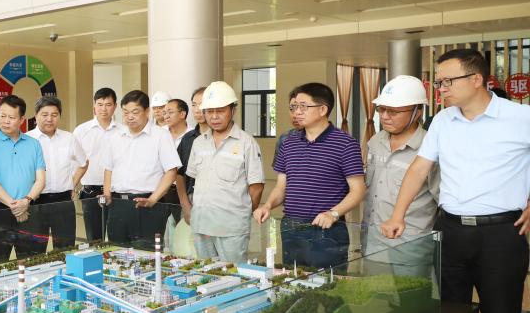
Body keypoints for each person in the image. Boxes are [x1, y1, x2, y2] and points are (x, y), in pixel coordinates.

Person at [381, 48, 530, 313]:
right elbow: (419, 168)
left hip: (501, 235)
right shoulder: (443, 121)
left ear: (477, 79)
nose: (441, 89)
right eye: (439, 83)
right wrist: (398, 214)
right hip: (451, 232)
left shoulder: (520, 117)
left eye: (448, 81)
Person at [253, 82, 365, 270]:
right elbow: (281, 187)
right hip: (291, 227)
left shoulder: (345, 144)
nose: (297, 112)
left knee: (328, 283)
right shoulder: (288, 143)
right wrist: (267, 205)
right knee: (292, 280)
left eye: (303, 107)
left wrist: (333, 213)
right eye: (294, 107)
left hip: (327, 230)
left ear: (323, 109)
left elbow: (358, 190)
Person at [362, 75, 438, 277]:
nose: (385, 116)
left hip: (410, 245)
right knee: (374, 295)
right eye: (381, 109)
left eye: (394, 111)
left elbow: (443, 200)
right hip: (372, 242)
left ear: (417, 112)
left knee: (411, 295)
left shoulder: (430, 148)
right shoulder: (375, 141)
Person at [185, 81, 264, 263]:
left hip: (231, 229)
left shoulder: (246, 143)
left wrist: (240, 214)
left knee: (233, 274)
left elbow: (256, 187)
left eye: (220, 111)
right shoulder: (199, 143)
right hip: (202, 225)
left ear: (232, 110)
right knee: (205, 273)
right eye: (209, 111)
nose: (214, 116)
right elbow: (194, 180)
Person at [102, 90, 182, 249]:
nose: (129, 117)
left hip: (148, 205)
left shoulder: (160, 136)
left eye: (135, 112)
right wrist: (107, 194)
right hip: (118, 204)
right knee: (116, 252)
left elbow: (171, 171)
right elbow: (108, 169)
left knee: (147, 254)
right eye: (126, 113)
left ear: (147, 111)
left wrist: (153, 199)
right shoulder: (115, 136)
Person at [0, 95, 46, 263]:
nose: (6, 121)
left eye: (11, 117)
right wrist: (15, 206)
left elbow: (40, 180)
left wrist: (26, 201)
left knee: (30, 261)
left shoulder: (34, 144)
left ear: (22, 119)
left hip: (29, 209)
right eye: (2, 115)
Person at [26, 96, 87, 253]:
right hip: (36, 202)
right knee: (35, 250)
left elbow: (83, 163)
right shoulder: (27, 139)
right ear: (36, 115)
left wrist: (72, 184)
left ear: (59, 116)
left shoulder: (69, 138)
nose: (49, 119)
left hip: (63, 201)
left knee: (66, 249)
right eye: (44, 114)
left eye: (54, 115)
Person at [74, 88, 125, 241]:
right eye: (100, 104)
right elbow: (74, 161)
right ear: (94, 106)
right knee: (94, 239)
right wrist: (72, 185)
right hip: (91, 191)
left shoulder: (123, 131)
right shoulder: (81, 130)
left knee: (118, 237)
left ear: (115, 106)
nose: (104, 109)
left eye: (108, 104)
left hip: (116, 191)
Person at [174, 87, 207, 224]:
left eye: (202, 104)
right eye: (194, 105)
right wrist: (185, 205)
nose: (197, 109)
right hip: (191, 200)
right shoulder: (188, 139)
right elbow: (179, 174)